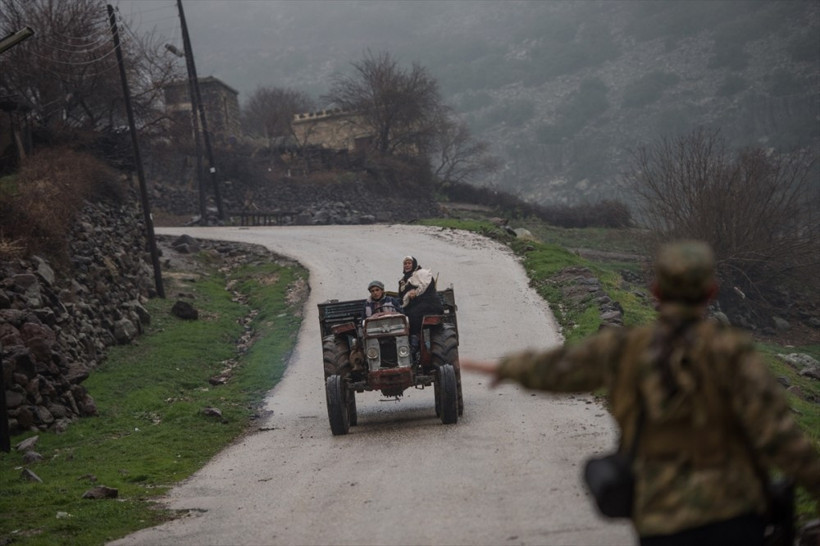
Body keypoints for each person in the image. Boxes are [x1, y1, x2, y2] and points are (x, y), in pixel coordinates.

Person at [461, 240, 820, 546]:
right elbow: (780, 440)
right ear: (711, 292)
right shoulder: (733, 354)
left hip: (660, 521)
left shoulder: (625, 350)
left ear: (656, 292)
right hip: (733, 516)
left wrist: (504, 368)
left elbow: (560, 368)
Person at [398, 256, 443, 360]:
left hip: (429, 303)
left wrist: (416, 293)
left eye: (409, 263)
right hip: (414, 305)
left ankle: (415, 343)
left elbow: (426, 288)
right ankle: (406, 344)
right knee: (403, 316)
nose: (407, 265)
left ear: (414, 264)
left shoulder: (423, 274)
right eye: (405, 263)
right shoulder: (403, 281)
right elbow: (401, 296)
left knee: (412, 315)